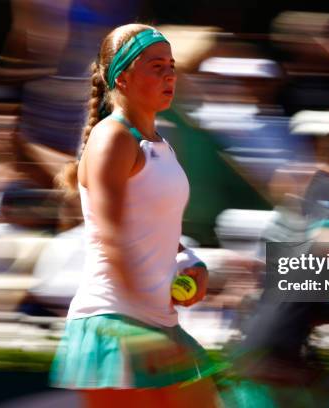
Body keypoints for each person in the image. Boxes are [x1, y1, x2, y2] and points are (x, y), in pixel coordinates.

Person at [49, 24, 221, 407]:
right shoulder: (112, 139)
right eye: (156, 66)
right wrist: (139, 334)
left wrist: (189, 260)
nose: (170, 74)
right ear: (123, 78)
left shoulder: (161, 145)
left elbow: (156, 230)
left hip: (155, 321)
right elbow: (112, 236)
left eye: (171, 66)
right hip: (114, 323)